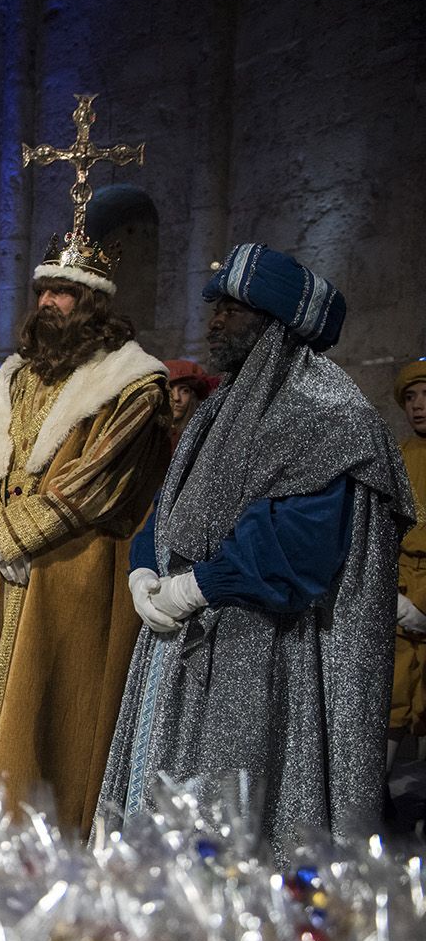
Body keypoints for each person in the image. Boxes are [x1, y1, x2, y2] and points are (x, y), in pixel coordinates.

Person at [100, 244, 413, 855]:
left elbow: (300, 547)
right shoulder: (222, 404)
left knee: (234, 818)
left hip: (265, 653)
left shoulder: (329, 414)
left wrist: (199, 585)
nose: (215, 321)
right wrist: (144, 568)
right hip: (180, 645)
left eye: (234, 309)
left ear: (277, 323)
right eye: (215, 306)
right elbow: (173, 503)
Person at [0, 232, 170, 835]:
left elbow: (103, 478)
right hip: (2, 570)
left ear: (92, 303)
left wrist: (16, 535)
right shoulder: (13, 379)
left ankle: (43, 832)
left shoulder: (131, 384)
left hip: (73, 569)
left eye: (64, 293)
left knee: (55, 708)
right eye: (43, 290)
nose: (48, 302)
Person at [393, 360, 426, 778]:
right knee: (394, 697)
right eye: (411, 398)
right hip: (401, 588)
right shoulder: (398, 458)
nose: (418, 406)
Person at [163, 358, 216, 443]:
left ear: (193, 397)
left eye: (185, 391)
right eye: (169, 390)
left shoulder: (204, 437)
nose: (176, 398)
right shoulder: (148, 437)